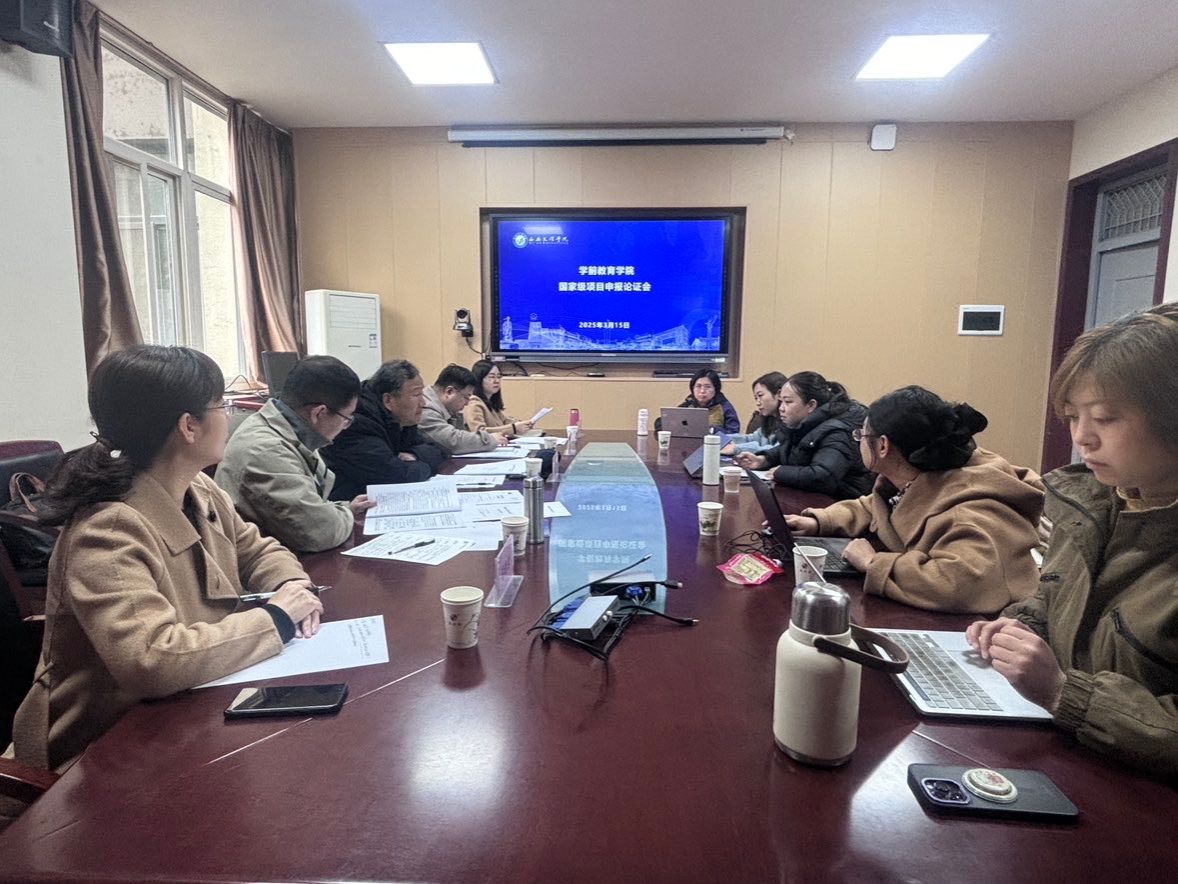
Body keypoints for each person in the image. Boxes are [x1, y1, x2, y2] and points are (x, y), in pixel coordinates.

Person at [8, 346, 323, 772]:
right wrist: (277, 619)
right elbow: (152, 659)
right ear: (188, 426)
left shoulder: (199, 487)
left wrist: (291, 586)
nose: (229, 416)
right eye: (222, 405)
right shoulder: (110, 528)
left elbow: (256, 549)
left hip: (188, 706)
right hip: (102, 747)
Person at [966, 304, 1178, 777]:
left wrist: (1065, 693)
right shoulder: (1093, 506)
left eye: (1106, 418)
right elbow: (1053, 598)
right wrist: (1017, 628)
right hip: (1067, 756)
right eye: (1072, 416)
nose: (1082, 438)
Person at [785, 385, 1043, 614]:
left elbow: (958, 583)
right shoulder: (917, 476)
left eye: (861, 435)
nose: (858, 441)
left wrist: (873, 563)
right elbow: (876, 507)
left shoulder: (973, 507)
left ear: (883, 445)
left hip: (986, 629)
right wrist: (820, 521)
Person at [215, 355, 375, 553]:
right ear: (319, 413)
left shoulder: (286, 429)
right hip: (262, 565)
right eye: (346, 418)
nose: (345, 426)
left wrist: (344, 509)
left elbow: (310, 507)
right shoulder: (266, 451)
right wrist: (345, 514)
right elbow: (321, 532)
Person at [733, 371, 873, 498]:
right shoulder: (804, 426)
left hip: (842, 505)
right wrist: (763, 459)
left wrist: (780, 472)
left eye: (788, 402)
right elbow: (794, 450)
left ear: (811, 405)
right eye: (781, 401)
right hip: (814, 499)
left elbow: (823, 476)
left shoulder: (837, 432)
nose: (781, 408)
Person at [323, 359, 445, 499]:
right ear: (388, 400)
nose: (424, 403)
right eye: (416, 395)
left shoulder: (400, 418)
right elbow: (395, 476)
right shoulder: (356, 422)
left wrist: (414, 455)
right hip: (351, 505)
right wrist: (425, 466)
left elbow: (437, 451)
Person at [419, 364, 509, 455]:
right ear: (449, 392)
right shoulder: (425, 408)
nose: (467, 403)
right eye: (466, 397)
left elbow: (459, 434)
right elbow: (453, 441)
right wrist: (489, 439)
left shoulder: (447, 408)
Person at [721, 371, 787, 455]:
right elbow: (751, 439)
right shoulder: (770, 420)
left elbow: (777, 450)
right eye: (756, 398)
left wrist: (737, 449)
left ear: (779, 394)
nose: (758, 403)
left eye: (760, 395)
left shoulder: (790, 421)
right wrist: (720, 439)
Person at [656, 368, 740, 434]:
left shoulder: (724, 406)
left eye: (708, 387)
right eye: (698, 386)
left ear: (716, 389)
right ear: (692, 388)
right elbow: (660, 423)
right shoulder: (688, 404)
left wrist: (712, 429)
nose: (702, 391)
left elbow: (734, 433)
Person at [463, 360, 535, 437]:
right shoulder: (473, 404)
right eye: (492, 377)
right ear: (479, 379)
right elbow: (479, 432)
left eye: (498, 377)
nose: (496, 381)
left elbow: (505, 421)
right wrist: (514, 428)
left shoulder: (489, 402)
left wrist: (523, 424)